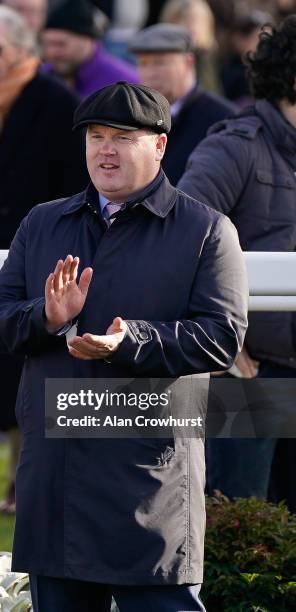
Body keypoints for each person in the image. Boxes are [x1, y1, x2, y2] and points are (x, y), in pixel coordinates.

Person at [0, 80, 248, 611]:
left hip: (148, 486)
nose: (105, 150)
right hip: (55, 481)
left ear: (160, 146)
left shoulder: (207, 230)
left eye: (122, 138)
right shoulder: (44, 222)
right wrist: (46, 317)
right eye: (96, 137)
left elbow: (221, 337)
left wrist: (132, 342)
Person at [0, 5, 89, 513]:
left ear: (22, 49)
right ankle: (19, 480)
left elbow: (71, 184)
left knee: (33, 370)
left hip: (40, 258)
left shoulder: (55, 102)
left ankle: (32, 482)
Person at [178, 15, 296, 511]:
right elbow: (176, 238)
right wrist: (219, 343)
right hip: (252, 373)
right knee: (238, 521)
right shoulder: (234, 145)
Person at [129, 23, 235, 185]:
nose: (150, 73)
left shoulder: (223, 119)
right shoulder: (133, 117)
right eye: (143, 63)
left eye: (160, 63)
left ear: (188, 62)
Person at [42, 0, 139, 98]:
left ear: (88, 41)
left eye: (60, 44)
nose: (52, 52)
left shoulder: (124, 85)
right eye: (46, 44)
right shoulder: (40, 76)